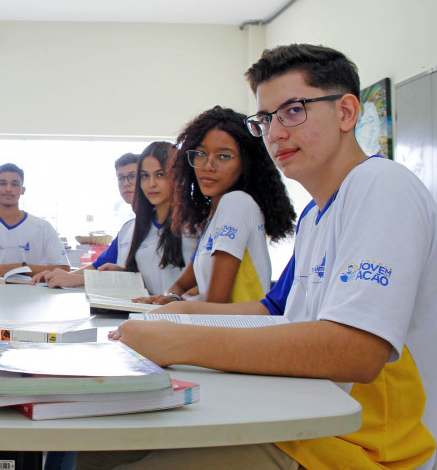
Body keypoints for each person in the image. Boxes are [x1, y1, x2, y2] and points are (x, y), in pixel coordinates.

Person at [95, 44, 437, 470]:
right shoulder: (315, 215)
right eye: (266, 119)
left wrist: (180, 339)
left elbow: (356, 351)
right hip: (303, 418)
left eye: (294, 111)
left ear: (347, 112)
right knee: (97, 444)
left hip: (360, 447)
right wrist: (175, 317)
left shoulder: (382, 185)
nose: (275, 133)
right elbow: (279, 311)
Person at [137, 106, 295, 305]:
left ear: (246, 163)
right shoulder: (214, 217)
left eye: (224, 156)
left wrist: (177, 300)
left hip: (238, 333)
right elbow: (178, 286)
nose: (208, 166)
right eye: (201, 154)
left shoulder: (236, 202)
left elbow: (215, 303)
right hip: (219, 330)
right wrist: (173, 298)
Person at [30, 152, 138, 288]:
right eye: (121, 178)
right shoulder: (127, 229)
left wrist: (75, 279)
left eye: (132, 177)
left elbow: (143, 279)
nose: (126, 184)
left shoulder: (160, 228)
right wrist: (59, 277)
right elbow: (95, 267)